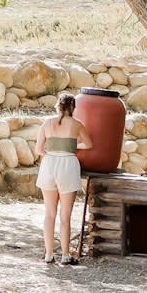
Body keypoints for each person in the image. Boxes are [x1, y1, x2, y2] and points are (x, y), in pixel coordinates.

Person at [36, 94, 89, 264]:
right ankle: (66, 256)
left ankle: (49, 254)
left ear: (58, 106)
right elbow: (89, 144)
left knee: (49, 213)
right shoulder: (77, 124)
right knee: (65, 215)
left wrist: (52, 155)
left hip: (49, 163)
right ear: (73, 108)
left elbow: (38, 149)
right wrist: (72, 147)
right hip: (68, 164)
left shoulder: (47, 123)